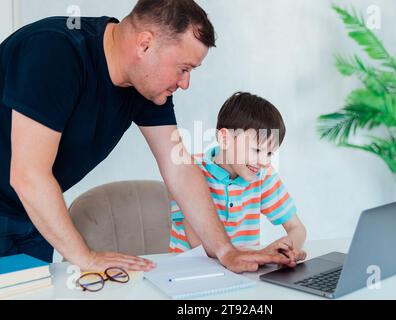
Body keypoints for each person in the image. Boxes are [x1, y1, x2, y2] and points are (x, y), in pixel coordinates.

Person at [0, 0, 293, 273]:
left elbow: (178, 166)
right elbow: (29, 175)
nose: (185, 82)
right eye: (183, 68)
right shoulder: (54, 52)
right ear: (145, 44)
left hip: (30, 214)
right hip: (21, 198)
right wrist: (85, 257)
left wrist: (226, 251)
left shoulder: (143, 86)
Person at [169, 92, 307, 262]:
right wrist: (260, 254)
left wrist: (288, 248)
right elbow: (198, 244)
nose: (264, 161)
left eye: (270, 153)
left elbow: (297, 228)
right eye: (257, 150)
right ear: (225, 139)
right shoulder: (189, 170)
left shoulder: (263, 176)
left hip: (243, 272)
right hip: (190, 272)